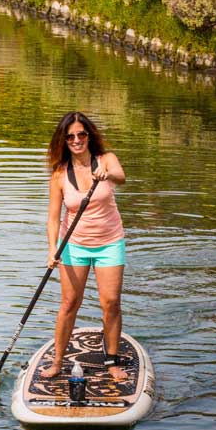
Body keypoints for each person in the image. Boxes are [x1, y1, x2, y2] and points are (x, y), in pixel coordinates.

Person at [43, 110, 129, 381]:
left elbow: (120, 176)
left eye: (81, 134)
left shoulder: (106, 160)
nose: (77, 140)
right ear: (64, 141)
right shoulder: (59, 174)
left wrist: (107, 174)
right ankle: (57, 362)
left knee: (111, 302)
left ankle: (112, 361)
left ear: (89, 135)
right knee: (69, 303)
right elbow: (53, 218)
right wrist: (52, 249)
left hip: (109, 243)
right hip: (74, 245)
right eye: (70, 137)